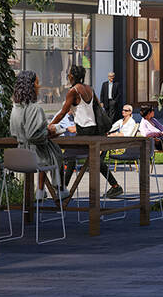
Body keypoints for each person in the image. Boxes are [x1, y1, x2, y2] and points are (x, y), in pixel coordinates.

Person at [51, 64, 125, 199]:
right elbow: (97, 107)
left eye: (69, 74)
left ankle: (63, 190)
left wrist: (50, 125)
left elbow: (62, 112)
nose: (68, 76)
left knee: (68, 156)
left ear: (72, 76)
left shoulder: (73, 91)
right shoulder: (89, 89)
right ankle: (115, 186)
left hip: (83, 129)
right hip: (94, 129)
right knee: (93, 158)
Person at [7, 71, 65, 197]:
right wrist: (49, 132)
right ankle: (59, 189)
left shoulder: (15, 108)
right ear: (31, 86)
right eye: (37, 82)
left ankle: (41, 191)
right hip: (34, 158)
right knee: (55, 155)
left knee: (48, 155)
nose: (39, 86)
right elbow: (33, 136)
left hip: (18, 157)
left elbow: (16, 133)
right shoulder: (35, 109)